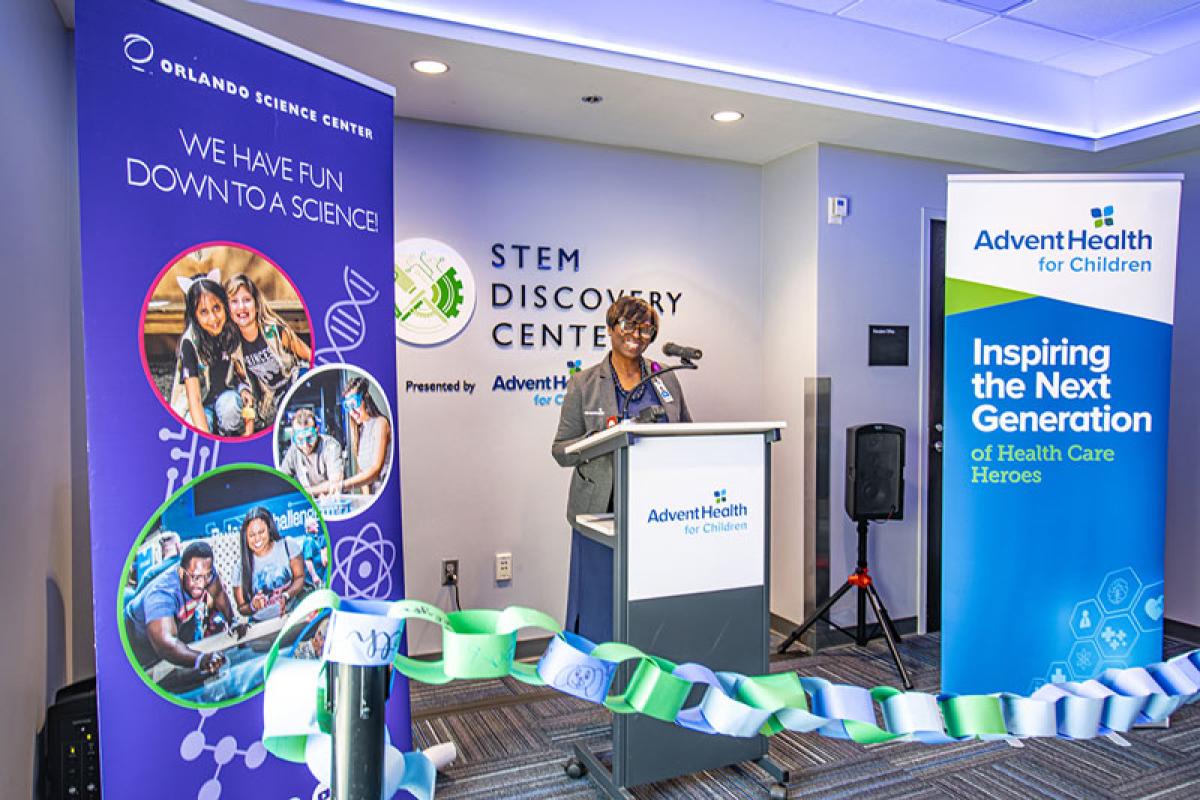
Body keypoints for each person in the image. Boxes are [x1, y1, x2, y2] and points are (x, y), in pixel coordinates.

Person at [551, 297, 692, 642]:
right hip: (601, 505)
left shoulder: (666, 380)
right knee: (600, 594)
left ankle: (648, 656)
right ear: (611, 329)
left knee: (652, 590)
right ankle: (596, 664)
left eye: (646, 329)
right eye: (628, 326)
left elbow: (687, 433)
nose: (637, 335)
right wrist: (600, 437)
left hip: (658, 507)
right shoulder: (583, 384)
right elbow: (561, 451)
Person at [124, 541, 239, 674]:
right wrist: (200, 660)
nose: (202, 584)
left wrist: (233, 622)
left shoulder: (205, 573)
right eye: (196, 578)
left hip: (179, 623)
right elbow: (165, 644)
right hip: (136, 639)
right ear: (181, 572)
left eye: (206, 576)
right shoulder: (162, 595)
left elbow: (218, 593)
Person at [168, 269, 255, 437]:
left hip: (225, 396)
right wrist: (206, 438)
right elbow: (194, 399)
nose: (213, 318)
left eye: (217, 308)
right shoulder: (189, 343)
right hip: (201, 405)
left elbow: (243, 376)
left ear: (224, 305)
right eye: (203, 312)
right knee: (193, 423)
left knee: (231, 405)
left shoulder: (231, 332)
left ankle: (227, 433)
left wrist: (244, 390)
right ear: (194, 316)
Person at [225, 273, 312, 429]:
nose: (241, 307)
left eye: (246, 300)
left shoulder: (275, 332)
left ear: (256, 304)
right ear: (228, 309)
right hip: (271, 398)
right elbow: (245, 383)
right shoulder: (234, 348)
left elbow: (309, 355)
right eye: (234, 302)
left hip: (294, 382)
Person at [233, 506, 308, 618]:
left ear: (269, 529)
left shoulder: (288, 546)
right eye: (252, 535)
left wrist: (286, 595)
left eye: (261, 532)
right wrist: (253, 606)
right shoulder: (240, 567)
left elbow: (300, 578)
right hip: (261, 627)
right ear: (246, 537)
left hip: (292, 616)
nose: (257, 538)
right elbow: (241, 607)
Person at [339, 376, 392, 495]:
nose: (352, 411)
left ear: (365, 398)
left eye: (354, 404)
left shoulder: (381, 423)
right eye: (348, 406)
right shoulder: (360, 431)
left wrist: (342, 486)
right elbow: (361, 471)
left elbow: (375, 470)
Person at [278, 407, 345, 496]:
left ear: (317, 430)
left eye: (310, 438)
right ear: (293, 436)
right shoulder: (293, 451)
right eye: (300, 439)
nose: (305, 445)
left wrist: (301, 492)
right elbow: (281, 483)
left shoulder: (330, 446)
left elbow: (335, 483)